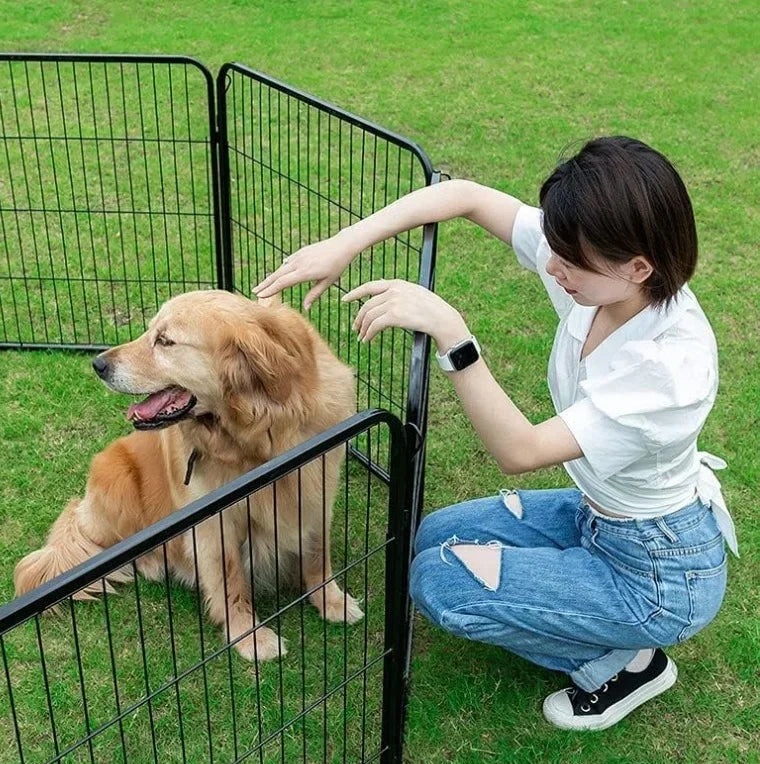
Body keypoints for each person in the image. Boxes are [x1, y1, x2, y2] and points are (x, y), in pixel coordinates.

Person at [253, 136, 737, 731]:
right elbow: (465, 196)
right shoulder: (603, 276)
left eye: (571, 260)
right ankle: (593, 609)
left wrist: (452, 334)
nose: (553, 268)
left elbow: (520, 451)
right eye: (554, 247)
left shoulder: (668, 369)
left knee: (440, 583)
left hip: (658, 568)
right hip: (599, 515)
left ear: (639, 266)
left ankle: (623, 662)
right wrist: (343, 244)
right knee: (434, 534)